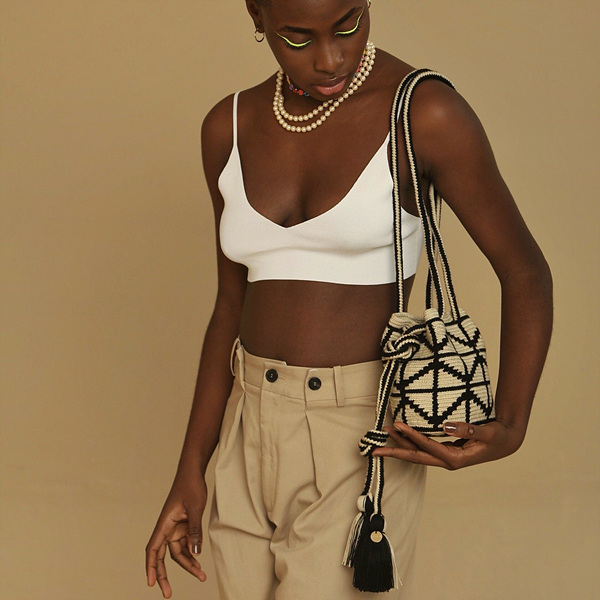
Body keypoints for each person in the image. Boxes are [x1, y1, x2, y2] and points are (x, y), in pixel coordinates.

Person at [145, 1, 554, 598]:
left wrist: (512, 421)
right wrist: (191, 468)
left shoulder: (423, 113)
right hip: (245, 425)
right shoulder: (226, 126)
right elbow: (230, 304)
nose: (331, 58)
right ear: (257, 16)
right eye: (298, 37)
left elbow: (525, 272)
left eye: (349, 25)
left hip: (360, 431)